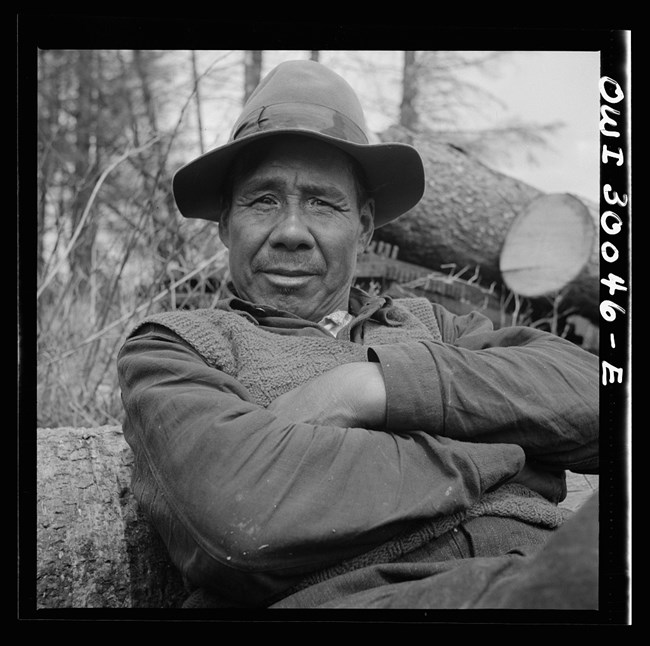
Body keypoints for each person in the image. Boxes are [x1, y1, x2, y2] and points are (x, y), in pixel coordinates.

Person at [117, 59, 599, 610]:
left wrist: (371, 388)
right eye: (263, 200)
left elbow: (597, 399)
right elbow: (244, 518)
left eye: (323, 202)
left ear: (364, 226)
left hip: (554, 560)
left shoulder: (433, 324)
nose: (292, 232)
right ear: (226, 222)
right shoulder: (176, 347)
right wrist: (508, 452)